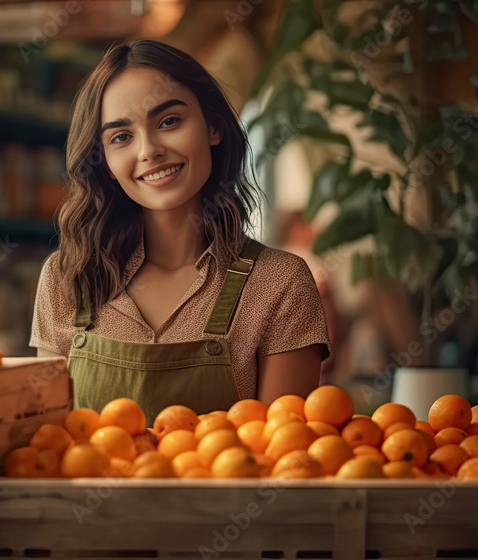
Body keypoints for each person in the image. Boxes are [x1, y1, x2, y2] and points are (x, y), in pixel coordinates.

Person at [30, 40, 330, 424]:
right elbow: (48, 450)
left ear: (214, 128)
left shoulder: (279, 284)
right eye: (121, 136)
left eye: (169, 121)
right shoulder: (67, 279)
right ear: (104, 162)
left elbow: (282, 458)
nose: (148, 150)